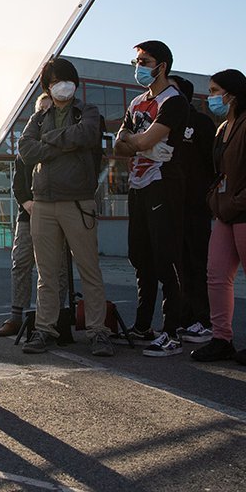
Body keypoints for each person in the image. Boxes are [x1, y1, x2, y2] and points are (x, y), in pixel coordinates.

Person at [18, 57, 113, 357]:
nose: (64, 85)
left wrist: (48, 142)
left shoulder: (87, 111)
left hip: (77, 201)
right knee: (47, 273)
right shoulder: (39, 117)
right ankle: (45, 329)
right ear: (47, 85)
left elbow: (86, 134)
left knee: (89, 269)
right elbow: (25, 150)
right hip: (43, 204)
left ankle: (99, 331)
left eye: (68, 79)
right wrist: (61, 144)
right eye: (57, 80)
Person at [115, 40, 189, 357]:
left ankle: (172, 331)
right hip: (138, 183)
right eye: (136, 61)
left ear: (162, 66)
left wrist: (135, 141)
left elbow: (143, 138)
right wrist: (137, 143)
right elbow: (119, 146)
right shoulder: (136, 104)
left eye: (144, 61)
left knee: (165, 258)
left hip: (163, 183)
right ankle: (143, 326)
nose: (139, 67)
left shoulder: (174, 101)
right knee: (140, 256)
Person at [0, 93, 70, 337]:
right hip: (29, 215)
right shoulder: (25, 150)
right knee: (21, 263)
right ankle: (17, 316)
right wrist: (27, 203)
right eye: (41, 111)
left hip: (56, 214)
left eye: (50, 111)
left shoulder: (62, 146)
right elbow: (18, 184)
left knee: (56, 268)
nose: (45, 115)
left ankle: (57, 317)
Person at [190, 69, 246, 363]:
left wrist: (235, 200)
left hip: (242, 211)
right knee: (216, 274)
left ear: (232, 94)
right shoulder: (222, 127)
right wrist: (216, 198)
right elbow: (218, 172)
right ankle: (221, 338)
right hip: (225, 212)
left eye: (214, 91)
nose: (210, 97)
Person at [169, 75, 216, 345]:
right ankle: (184, 318)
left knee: (197, 264)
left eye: (172, 91)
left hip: (196, 207)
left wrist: (209, 198)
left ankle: (204, 319)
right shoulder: (163, 124)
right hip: (171, 207)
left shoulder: (200, 123)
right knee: (178, 266)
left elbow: (214, 164)